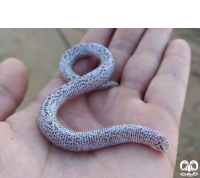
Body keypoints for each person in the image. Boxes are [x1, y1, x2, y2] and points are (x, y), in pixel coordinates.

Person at [0, 28, 191, 177]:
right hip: (51, 121)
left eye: (159, 144)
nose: (162, 147)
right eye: (159, 143)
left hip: (61, 113)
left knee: (104, 67)